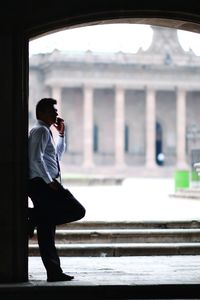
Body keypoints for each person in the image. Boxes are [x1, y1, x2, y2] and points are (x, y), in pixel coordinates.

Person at [28, 97, 86, 282]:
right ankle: (33, 217)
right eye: (53, 110)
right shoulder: (39, 131)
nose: (56, 114)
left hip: (44, 183)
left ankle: (54, 272)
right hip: (42, 185)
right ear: (43, 113)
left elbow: (55, 157)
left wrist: (61, 135)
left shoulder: (46, 131)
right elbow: (34, 159)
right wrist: (48, 181)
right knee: (77, 209)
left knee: (46, 232)